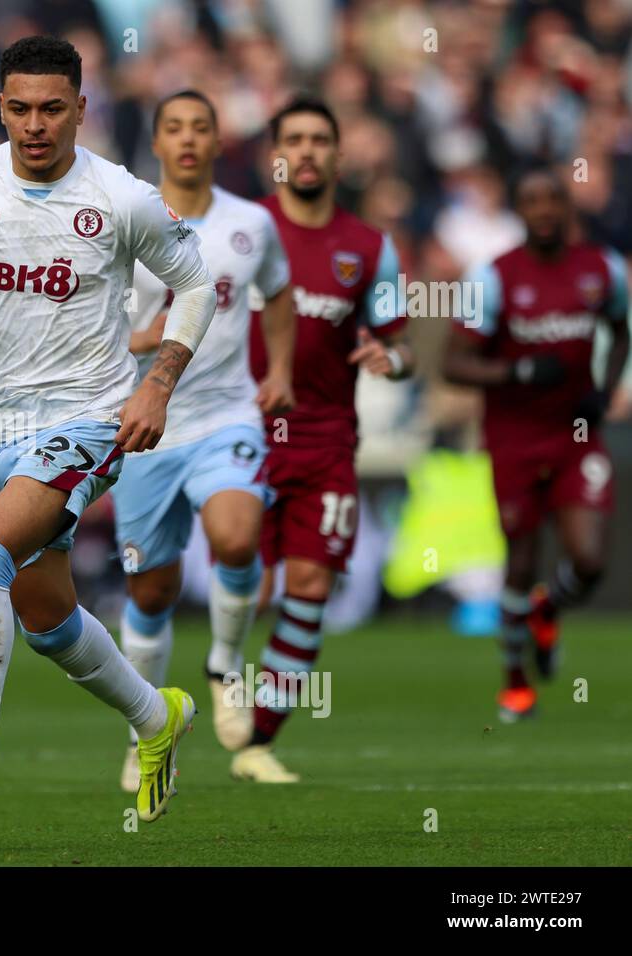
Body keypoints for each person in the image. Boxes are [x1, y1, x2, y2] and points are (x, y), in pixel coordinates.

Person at [0, 36, 217, 842]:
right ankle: (154, 714)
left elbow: (195, 284)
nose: (35, 125)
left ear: (81, 110)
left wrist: (158, 384)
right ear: (1, 108)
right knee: (47, 616)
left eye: (52, 108)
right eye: (20, 108)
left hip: (89, 421)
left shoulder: (122, 197)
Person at [111, 89, 296, 793]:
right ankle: (146, 728)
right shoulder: (123, 222)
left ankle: (223, 663)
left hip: (227, 416)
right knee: (151, 590)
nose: (188, 140)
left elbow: (277, 293)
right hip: (143, 429)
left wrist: (277, 369)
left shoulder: (253, 222)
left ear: (220, 142)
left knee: (238, 538)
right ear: (155, 143)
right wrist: (138, 339)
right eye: (174, 127)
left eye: (201, 128)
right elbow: (80, 315)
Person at [244, 95, 416, 782]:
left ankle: (256, 739)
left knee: (310, 585)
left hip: (327, 440)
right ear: (275, 154)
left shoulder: (369, 247)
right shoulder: (244, 230)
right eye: (295, 139)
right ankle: (181, 710)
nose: (309, 151)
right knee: (248, 586)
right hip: (243, 436)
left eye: (321, 140)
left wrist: (389, 359)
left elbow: (401, 345)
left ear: (340, 157)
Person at [442, 165, 628, 723]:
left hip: (575, 435)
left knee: (590, 561)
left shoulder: (603, 269)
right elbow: (452, 363)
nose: (544, 210)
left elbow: (621, 328)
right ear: (518, 211)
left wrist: (606, 388)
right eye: (532, 200)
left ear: (566, 207)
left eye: (554, 199)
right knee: (519, 562)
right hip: (515, 438)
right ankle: (515, 682)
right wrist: (518, 373)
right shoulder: (491, 278)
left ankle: (550, 609)